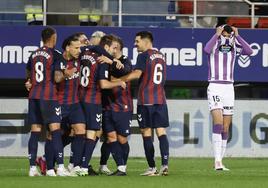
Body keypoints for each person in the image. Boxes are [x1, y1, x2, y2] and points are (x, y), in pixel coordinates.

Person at [117, 31, 169, 176]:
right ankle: (165, 165)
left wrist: (119, 79)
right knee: (161, 132)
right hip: (160, 100)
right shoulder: (161, 56)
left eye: (137, 41)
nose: (135, 44)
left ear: (146, 41)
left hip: (146, 101)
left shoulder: (143, 56)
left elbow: (137, 74)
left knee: (146, 133)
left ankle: (152, 168)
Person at [204, 25, 253, 170]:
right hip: (215, 86)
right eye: (224, 32)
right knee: (218, 123)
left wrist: (237, 35)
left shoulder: (234, 45)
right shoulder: (214, 43)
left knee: (225, 127)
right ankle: (217, 162)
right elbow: (206, 50)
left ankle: (221, 161)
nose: (226, 35)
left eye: (228, 32)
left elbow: (249, 51)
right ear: (220, 32)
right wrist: (216, 35)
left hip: (229, 88)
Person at [79, 34, 127, 176]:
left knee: (77, 132)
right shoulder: (102, 60)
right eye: (113, 48)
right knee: (92, 133)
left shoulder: (85, 54)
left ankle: (73, 164)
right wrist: (119, 82)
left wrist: (112, 60)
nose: (114, 51)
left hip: (80, 98)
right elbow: (103, 84)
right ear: (106, 47)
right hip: (93, 100)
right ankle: (82, 167)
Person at [26, 26, 70, 176]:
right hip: (49, 96)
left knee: (35, 131)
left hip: (34, 96)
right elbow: (58, 78)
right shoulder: (56, 54)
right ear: (53, 38)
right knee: (55, 131)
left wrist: (29, 83)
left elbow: (28, 76)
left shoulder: (33, 54)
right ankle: (59, 168)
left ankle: (32, 168)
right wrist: (67, 74)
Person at [45, 35, 87, 176]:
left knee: (81, 131)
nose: (78, 50)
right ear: (67, 48)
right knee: (53, 135)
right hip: (59, 103)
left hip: (74, 103)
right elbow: (57, 78)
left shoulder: (78, 60)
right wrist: (66, 74)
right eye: (76, 48)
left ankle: (74, 165)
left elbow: (94, 47)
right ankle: (48, 166)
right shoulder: (59, 60)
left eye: (80, 48)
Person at [101, 35, 133, 176]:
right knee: (111, 138)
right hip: (108, 105)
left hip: (123, 105)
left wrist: (112, 62)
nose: (109, 48)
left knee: (122, 139)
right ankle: (120, 168)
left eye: (112, 46)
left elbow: (124, 72)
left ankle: (123, 166)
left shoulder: (126, 61)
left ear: (117, 48)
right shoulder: (106, 60)